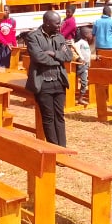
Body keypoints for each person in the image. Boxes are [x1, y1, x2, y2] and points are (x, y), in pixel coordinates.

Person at [25, 11, 72, 146]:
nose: (59, 26)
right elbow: (38, 57)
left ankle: (63, 148)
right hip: (43, 83)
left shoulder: (60, 37)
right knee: (48, 118)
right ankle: (54, 149)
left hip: (59, 81)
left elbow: (68, 56)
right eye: (57, 23)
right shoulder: (33, 37)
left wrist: (53, 53)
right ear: (47, 23)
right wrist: (58, 59)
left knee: (60, 116)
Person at [0, 5, 17, 72]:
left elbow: (13, 35)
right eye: (3, 10)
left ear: (9, 11)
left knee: (7, 64)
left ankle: (6, 76)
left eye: (6, 10)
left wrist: (15, 46)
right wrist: (6, 43)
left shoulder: (13, 21)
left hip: (8, 46)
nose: (4, 12)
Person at [72, 26, 93, 105]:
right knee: (83, 82)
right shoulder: (80, 43)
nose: (92, 35)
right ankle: (79, 99)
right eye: (91, 33)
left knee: (84, 82)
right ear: (86, 34)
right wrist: (80, 58)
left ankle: (80, 98)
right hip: (81, 66)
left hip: (86, 65)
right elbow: (75, 49)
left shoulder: (86, 43)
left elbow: (88, 54)